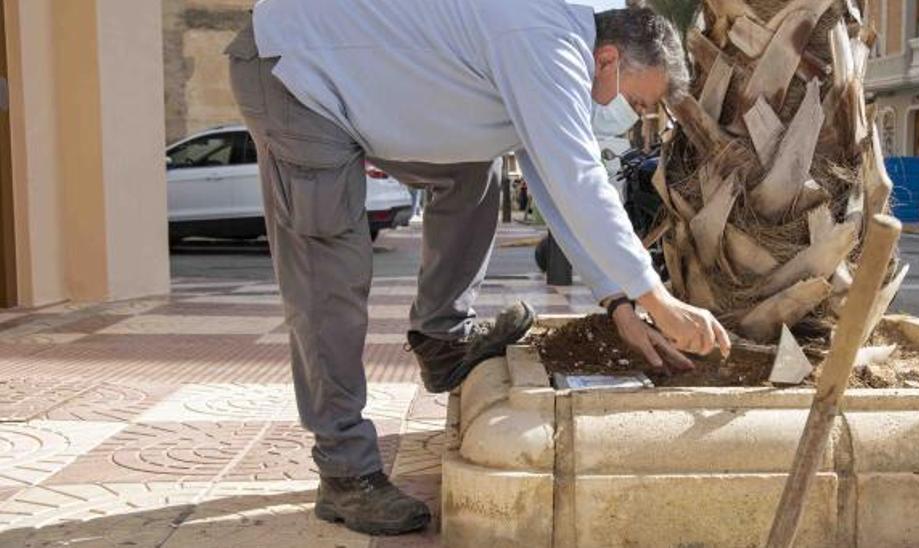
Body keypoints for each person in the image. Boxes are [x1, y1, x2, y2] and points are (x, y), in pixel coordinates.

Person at [224, 0, 731, 536]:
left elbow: (555, 185)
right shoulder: (544, 46)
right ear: (607, 59)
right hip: (293, 71)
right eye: (633, 99)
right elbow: (577, 178)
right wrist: (658, 298)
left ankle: (442, 342)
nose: (624, 110)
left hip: (359, 79)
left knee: (472, 171)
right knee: (331, 273)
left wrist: (621, 303)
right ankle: (345, 471)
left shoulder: (554, 51)